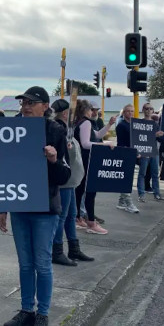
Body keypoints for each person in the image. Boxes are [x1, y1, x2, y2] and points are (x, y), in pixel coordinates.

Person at [0, 86, 70, 326]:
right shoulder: (12, 130)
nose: (26, 106)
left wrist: (53, 160)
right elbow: (5, 170)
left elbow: (64, 176)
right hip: (19, 206)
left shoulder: (56, 130)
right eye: (23, 102)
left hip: (45, 208)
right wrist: (2, 208)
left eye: (31, 102)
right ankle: (26, 310)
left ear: (45, 106)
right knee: (25, 263)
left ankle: (43, 313)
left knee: (42, 263)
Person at [49, 99, 94, 266]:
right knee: (63, 217)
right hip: (66, 182)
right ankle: (57, 250)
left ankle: (73, 248)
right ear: (65, 113)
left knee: (70, 216)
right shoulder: (59, 130)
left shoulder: (66, 129)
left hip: (71, 181)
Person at [73, 100, 115, 234]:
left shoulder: (79, 122)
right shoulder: (86, 122)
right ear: (87, 110)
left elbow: (96, 135)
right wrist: (104, 145)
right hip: (87, 159)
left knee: (79, 190)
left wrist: (108, 125)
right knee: (90, 190)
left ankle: (77, 217)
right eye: (92, 109)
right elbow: (86, 143)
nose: (93, 112)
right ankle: (91, 222)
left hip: (81, 159)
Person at [136, 103, 164, 203]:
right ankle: (141, 194)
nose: (149, 110)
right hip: (144, 150)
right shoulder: (139, 123)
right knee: (142, 173)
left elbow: (159, 137)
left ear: (153, 111)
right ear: (143, 110)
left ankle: (157, 194)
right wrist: (155, 134)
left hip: (154, 150)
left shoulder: (155, 124)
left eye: (151, 109)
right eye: (147, 108)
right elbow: (140, 137)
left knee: (155, 173)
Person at [114, 104, 140, 213]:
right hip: (125, 154)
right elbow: (121, 143)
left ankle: (121, 201)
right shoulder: (121, 125)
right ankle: (129, 203)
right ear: (124, 113)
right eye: (128, 111)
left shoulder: (134, 124)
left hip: (132, 154)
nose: (130, 113)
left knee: (128, 178)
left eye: (132, 111)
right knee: (126, 180)